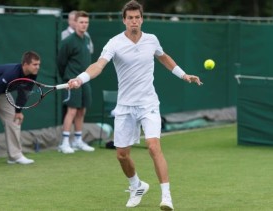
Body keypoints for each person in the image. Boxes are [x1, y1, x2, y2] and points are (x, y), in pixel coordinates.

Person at [67, 1, 203, 210]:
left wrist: (183, 75)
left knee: (153, 146)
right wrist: (81, 79)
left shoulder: (152, 40)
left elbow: (163, 57)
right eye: (130, 18)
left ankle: (166, 197)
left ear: (142, 19)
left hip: (148, 104)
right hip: (125, 107)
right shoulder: (114, 43)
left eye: (137, 17)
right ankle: (136, 185)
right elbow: (99, 65)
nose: (134, 21)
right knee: (121, 155)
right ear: (124, 20)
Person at [0, 51, 41, 169]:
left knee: (14, 119)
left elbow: (24, 93)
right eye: (35, 64)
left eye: (38, 64)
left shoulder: (32, 74)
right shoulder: (11, 74)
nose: (37, 67)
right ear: (25, 64)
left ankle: (15, 156)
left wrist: (18, 111)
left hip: (1, 92)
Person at [57, 11, 95, 154]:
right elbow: (61, 62)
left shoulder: (86, 39)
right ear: (75, 23)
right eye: (81, 22)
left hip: (85, 80)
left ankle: (78, 140)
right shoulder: (68, 41)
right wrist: (67, 79)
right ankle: (64, 142)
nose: (84, 25)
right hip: (72, 81)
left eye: (86, 22)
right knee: (71, 111)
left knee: (82, 110)